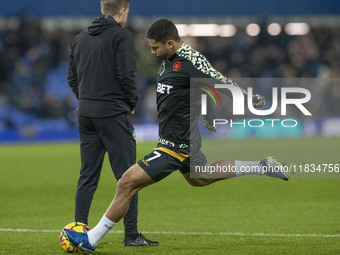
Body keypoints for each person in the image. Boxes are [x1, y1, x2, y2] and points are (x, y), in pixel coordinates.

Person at [64, 18, 289, 253]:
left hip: (176, 144)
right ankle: (262, 166)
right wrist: (205, 111)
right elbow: (199, 89)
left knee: (126, 183)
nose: (152, 52)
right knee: (200, 177)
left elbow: (218, 80)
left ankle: (90, 239)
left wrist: (249, 98)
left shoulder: (191, 60)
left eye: (155, 47)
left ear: (170, 43)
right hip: (181, 139)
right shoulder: (170, 60)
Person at [67, 0, 158, 246]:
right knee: (130, 176)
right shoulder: (121, 36)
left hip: (85, 113)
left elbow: (72, 78)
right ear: (122, 11)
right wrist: (130, 102)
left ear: (101, 10)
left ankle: (77, 231)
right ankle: (131, 234)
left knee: (87, 174)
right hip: (113, 113)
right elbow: (127, 74)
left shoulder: (79, 39)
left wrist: (87, 100)